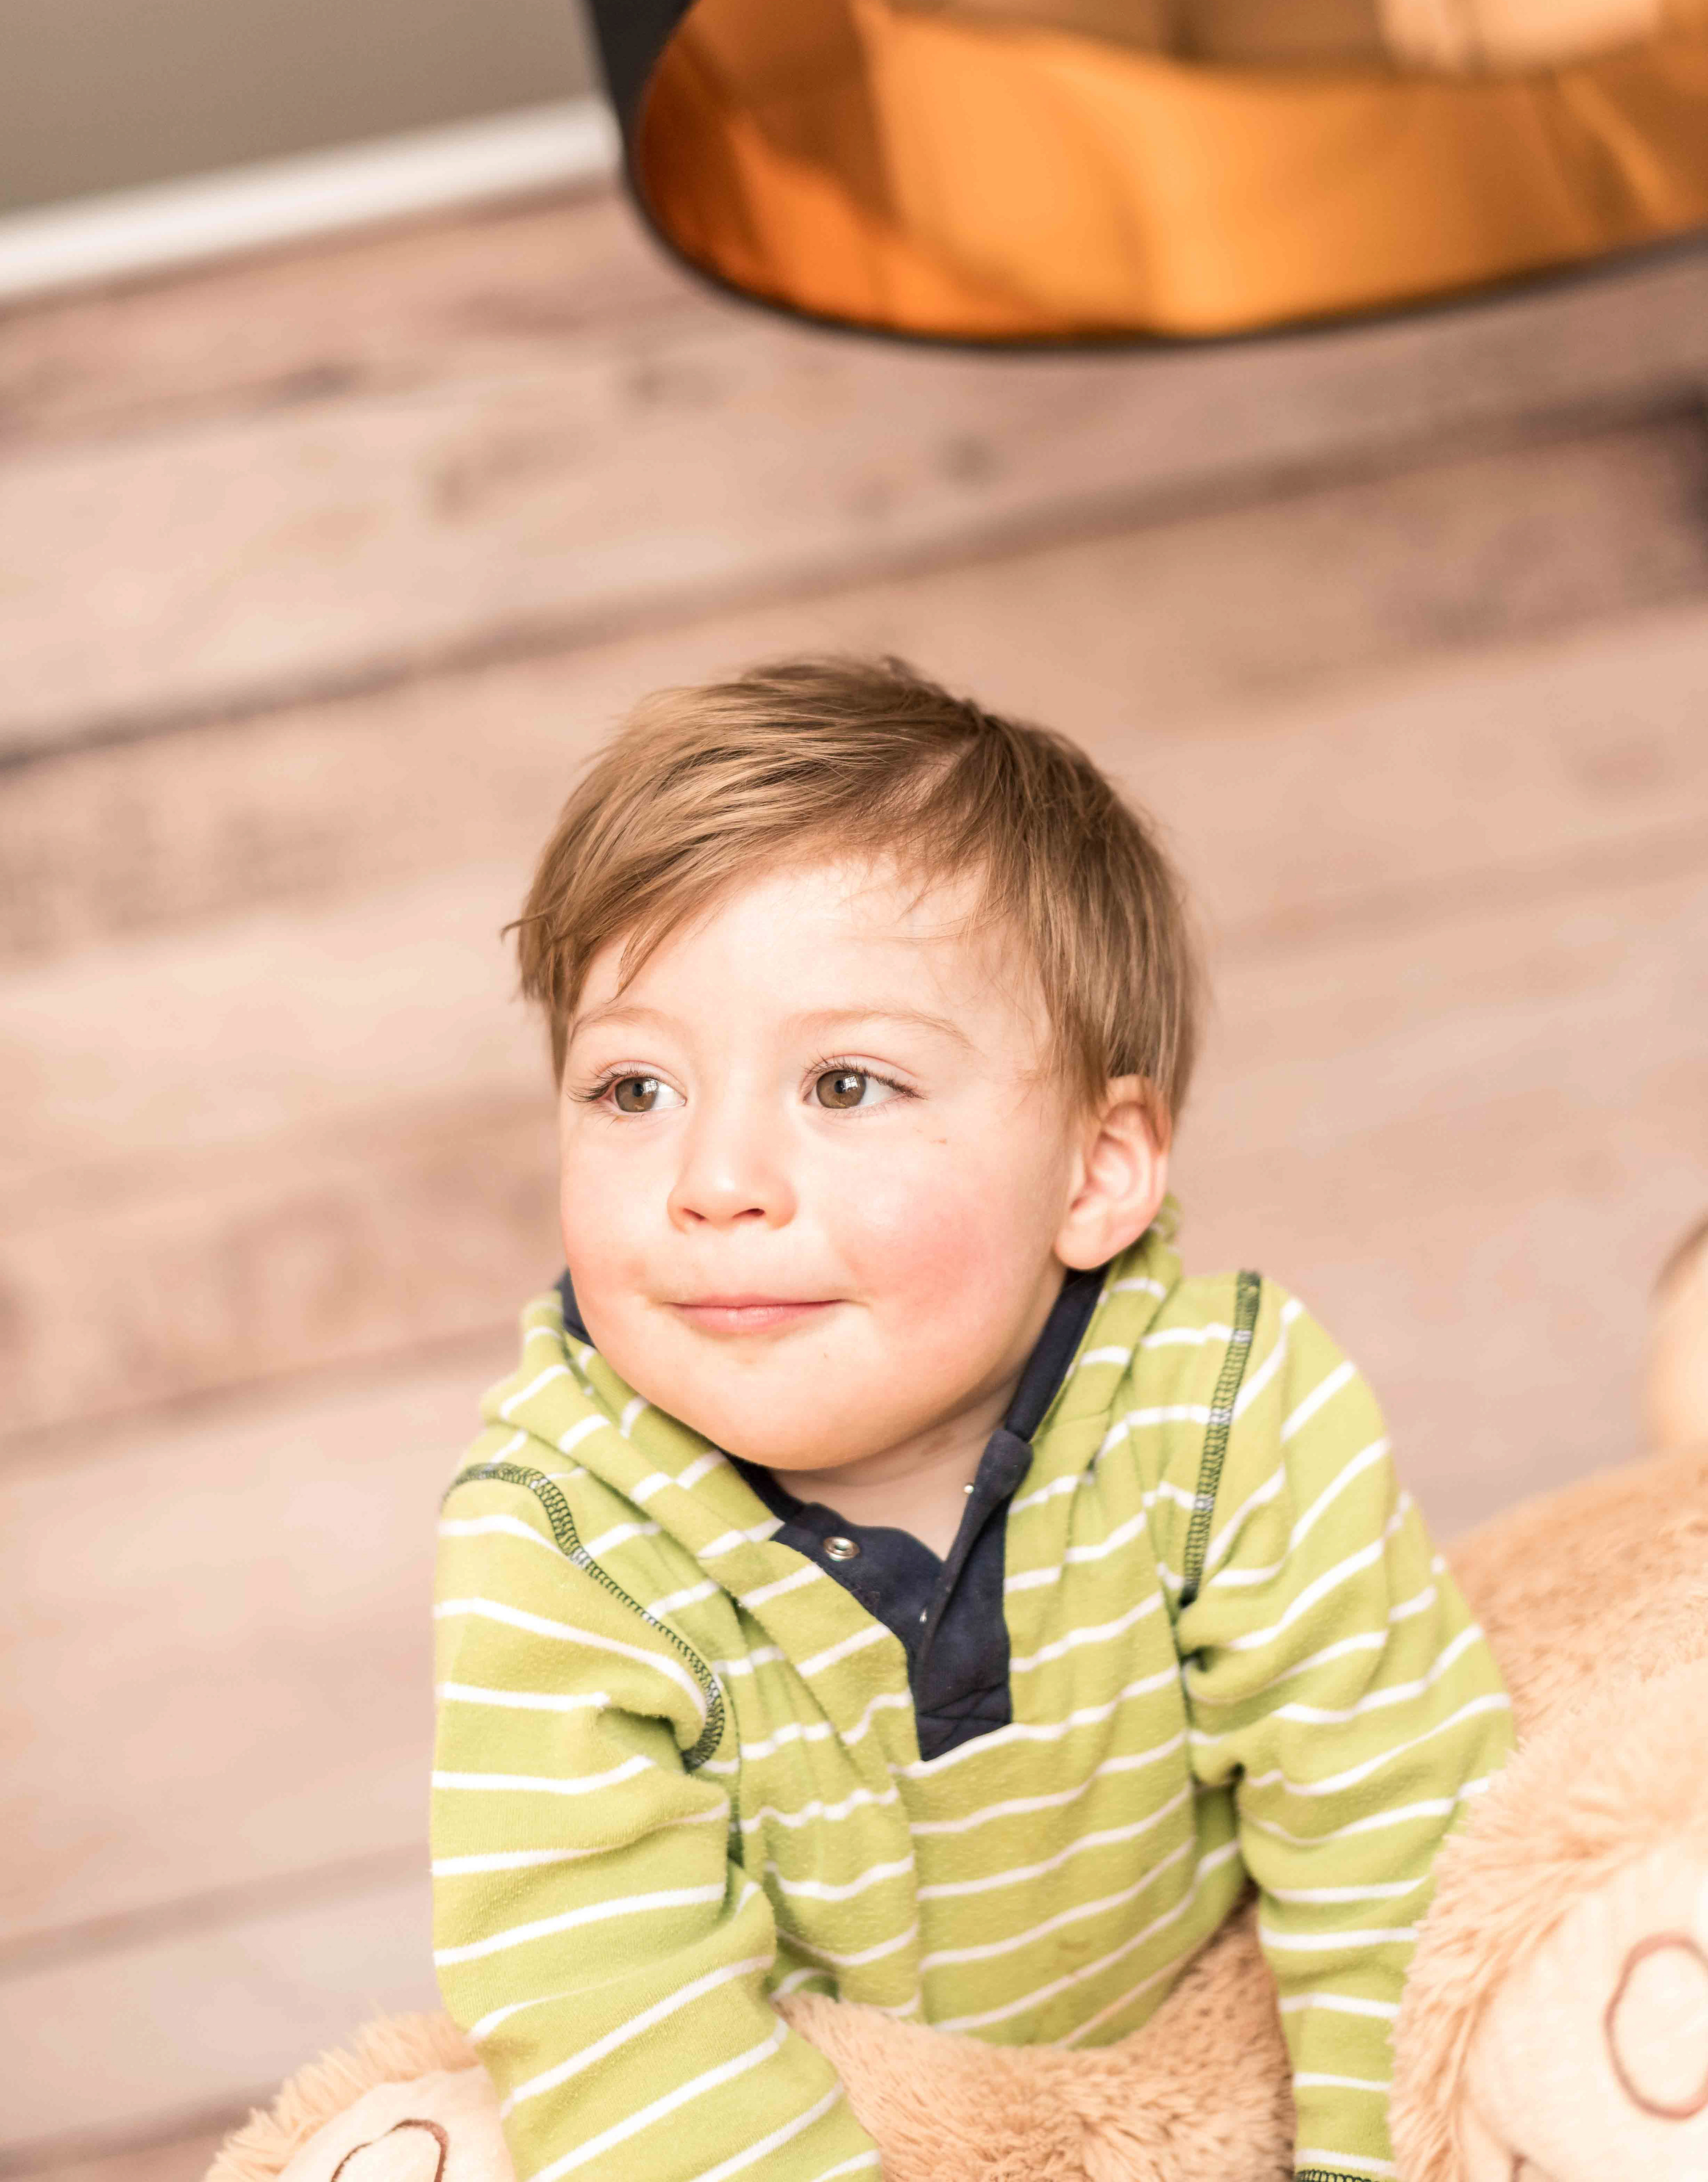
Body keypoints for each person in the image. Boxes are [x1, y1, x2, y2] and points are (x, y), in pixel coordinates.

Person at [431, 655, 1513, 2182]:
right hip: (822, 2122)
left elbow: (1397, 1853)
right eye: (633, 1090)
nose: (715, 1179)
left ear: (1094, 1171)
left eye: (846, 1083)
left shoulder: (1224, 1414)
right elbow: (620, 2026)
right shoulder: (565, 1541)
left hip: (1199, 2068)